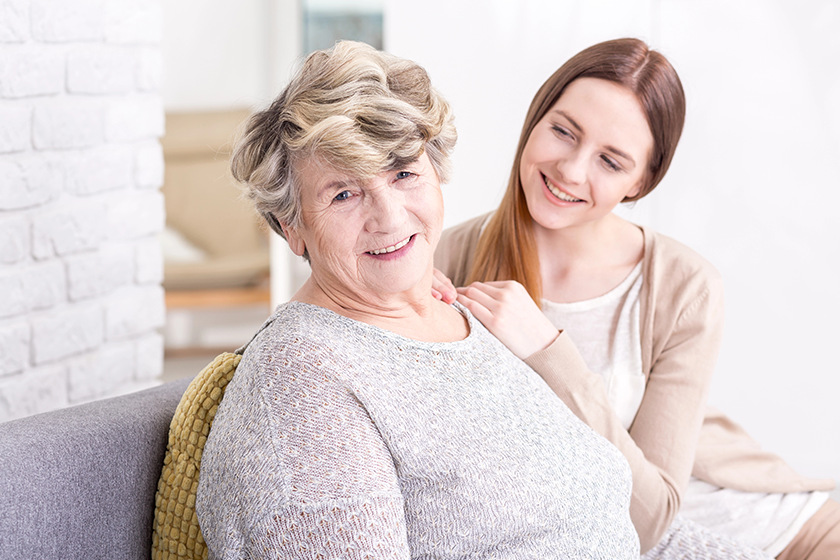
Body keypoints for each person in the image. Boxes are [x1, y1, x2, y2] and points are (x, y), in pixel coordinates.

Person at [194, 40, 641, 559]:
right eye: (343, 193)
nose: (389, 217)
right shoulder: (299, 382)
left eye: (404, 173)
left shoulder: (461, 316)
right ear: (292, 228)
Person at [434, 38, 838, 558]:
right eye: (562, 131)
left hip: (780, 533)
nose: (572, 171)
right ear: (536, 118)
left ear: (641, 182)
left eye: (611, 161)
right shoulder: (450, 258)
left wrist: (549, 353)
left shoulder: (684, 286)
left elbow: (650, 520)